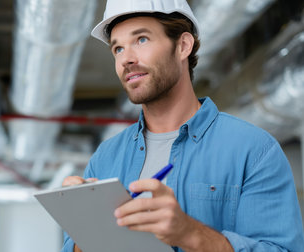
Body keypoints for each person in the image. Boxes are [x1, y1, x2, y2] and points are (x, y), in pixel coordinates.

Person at [61, 0, 304, 251]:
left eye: (141, 39)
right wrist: (87, 225)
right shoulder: (105, 158)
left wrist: (189, 233)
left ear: (183, 46)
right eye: (118, 49)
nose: (126, 59)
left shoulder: (254, 151)